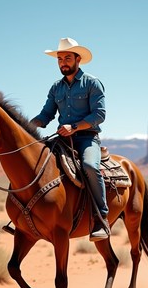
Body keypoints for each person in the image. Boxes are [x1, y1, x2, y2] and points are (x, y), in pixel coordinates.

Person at [30, 37, 109, 241]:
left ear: (77, 59)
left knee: (90, 166)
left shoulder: (92, 83)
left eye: (67, 58)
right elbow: (46, 114)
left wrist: (73, 127)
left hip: (86, 138)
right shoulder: (56, 88)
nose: (63, 62)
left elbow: (99, 115)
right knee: (33, 163)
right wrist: (26, 126)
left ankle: (101, 218)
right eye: (59, 59)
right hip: (61, 139)